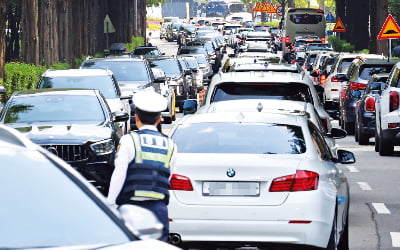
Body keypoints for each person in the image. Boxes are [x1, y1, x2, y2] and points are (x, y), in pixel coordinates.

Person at [107, 90, 177, 242]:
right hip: (159, 210)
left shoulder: (128, 141)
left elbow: (119, 175)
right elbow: (168, 176)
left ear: (136, 117)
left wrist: (110, 205)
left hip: (131, 208)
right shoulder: (170, 145)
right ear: (159, 119)